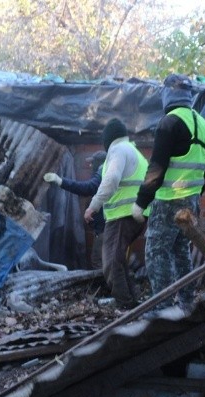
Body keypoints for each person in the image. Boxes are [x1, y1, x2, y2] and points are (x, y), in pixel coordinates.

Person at [131, 74, 205, 311]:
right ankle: (187, 303)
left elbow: (156, 167)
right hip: (191, 202)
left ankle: (163, 309)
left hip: (168, 201)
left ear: (168, 94)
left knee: (157, 254)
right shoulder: (203, 124)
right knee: (180, 251)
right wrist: (195, 195)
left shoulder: (169, 122)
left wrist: (141, 202)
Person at [85, 118, 149, 308]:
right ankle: (134, 302)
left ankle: (125, 306)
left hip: (122, 215)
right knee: (119, 261)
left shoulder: (118, 150)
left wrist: (93, 206)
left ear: (108, 138)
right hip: (136, 214)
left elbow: (111, 179)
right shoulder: (133, 151)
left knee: (111, 263)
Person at [43, 150, 107, 269]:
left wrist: (60, 181)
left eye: (93, 163)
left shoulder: (104, 172)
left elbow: (87, 188)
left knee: (98, 261)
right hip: (103, 228)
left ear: (100, 163)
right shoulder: (106, 175)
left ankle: (107, 287)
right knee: (105, 261)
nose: (90, 166)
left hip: (105, 228)